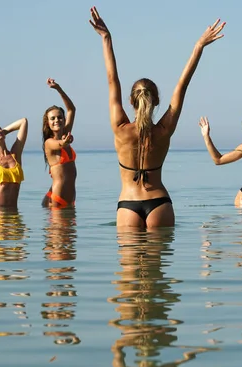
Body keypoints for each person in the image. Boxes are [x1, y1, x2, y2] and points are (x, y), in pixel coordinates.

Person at [89, 6, 225, 228]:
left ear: (131, 101)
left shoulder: (120, 128)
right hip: (159, 203)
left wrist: (106, 39)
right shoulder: (164, 130)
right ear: (157, 102)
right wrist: (199, 46)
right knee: (156, 263)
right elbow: (182, 85)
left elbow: (112, 80)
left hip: (128, 203)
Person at [41, 78, 77, 208]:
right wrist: (65, 141)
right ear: (48, 123)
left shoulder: (65, 132)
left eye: (59, 117)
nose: (57, 120)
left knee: (71, 229)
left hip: (70, 199)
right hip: (57, 199)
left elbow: (72, 109)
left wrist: (58, 89)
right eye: (52, 118)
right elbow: (60, 144)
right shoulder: (49, 142)